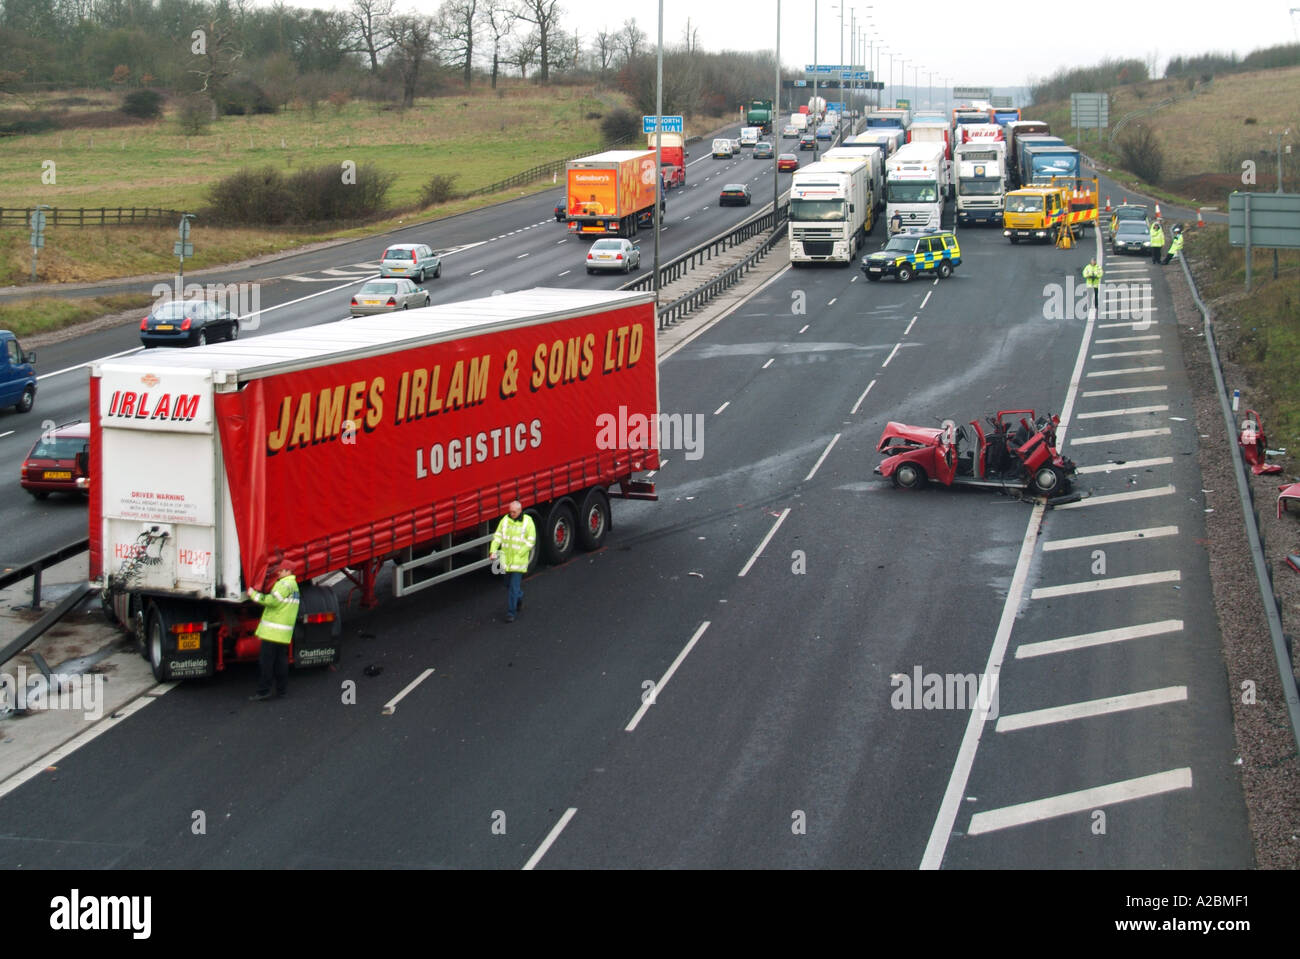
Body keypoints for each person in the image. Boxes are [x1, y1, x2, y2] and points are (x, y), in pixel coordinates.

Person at [247, 563, 300, 701]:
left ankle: (264, 691)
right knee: (280, 662)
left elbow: (271, 601)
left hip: (273, 631)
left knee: (266, 662)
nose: (278, 573)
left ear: (288, 571)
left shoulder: (283, 585)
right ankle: (281, 690)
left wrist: (253, 594)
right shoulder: (293, 586)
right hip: (283, 632)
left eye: (280, 571)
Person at [489, 501, 536, 623]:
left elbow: (530, 541)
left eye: (514, 512)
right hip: (506, 561)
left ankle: (511, 613)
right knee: (507, 585)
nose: (512, 514)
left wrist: (520, 553)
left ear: (520, 511)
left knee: (513, 588)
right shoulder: (505, 520)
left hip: (518, 562)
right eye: (510, 511)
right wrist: (493, 550)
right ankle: (519, 597)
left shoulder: (528, 522)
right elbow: (498, 536)